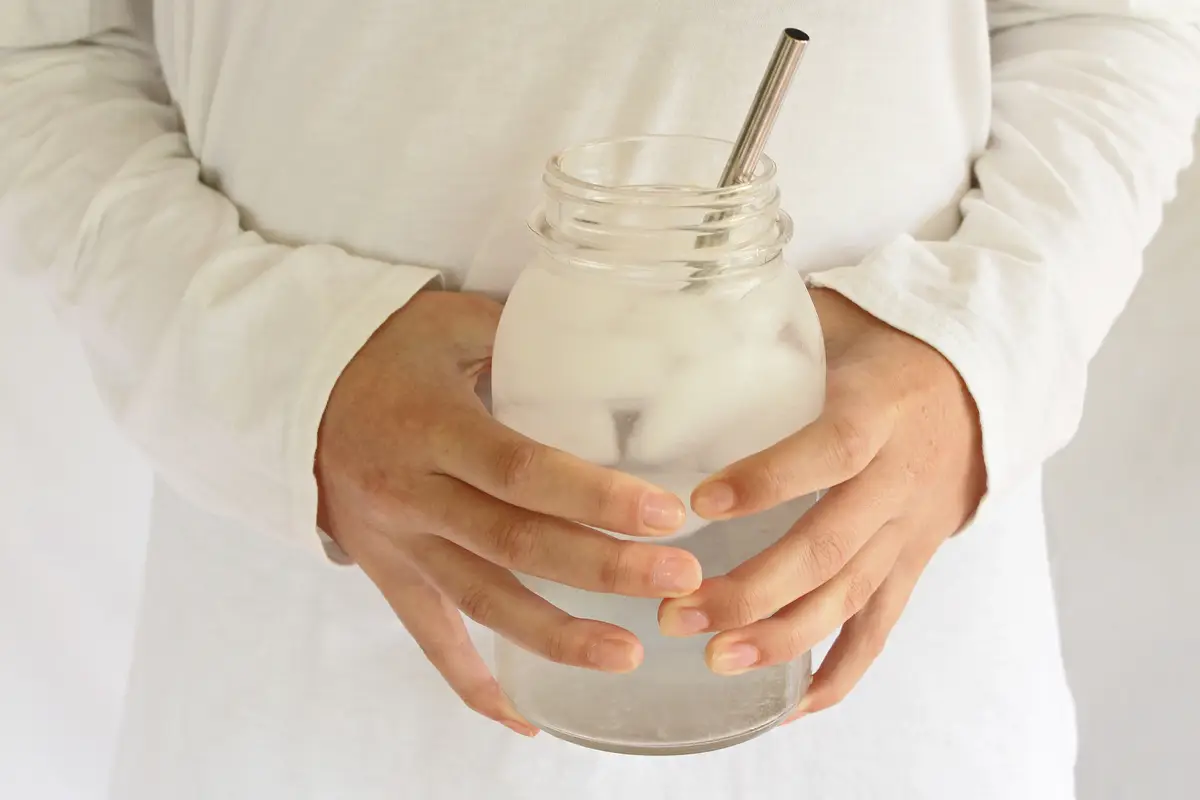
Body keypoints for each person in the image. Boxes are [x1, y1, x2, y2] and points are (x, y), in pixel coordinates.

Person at [2, 1, 1198, 798]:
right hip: (307, 696)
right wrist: (275, 371)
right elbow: (39, 46)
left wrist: (978, 348)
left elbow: (1113, 16)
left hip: (875, 703)